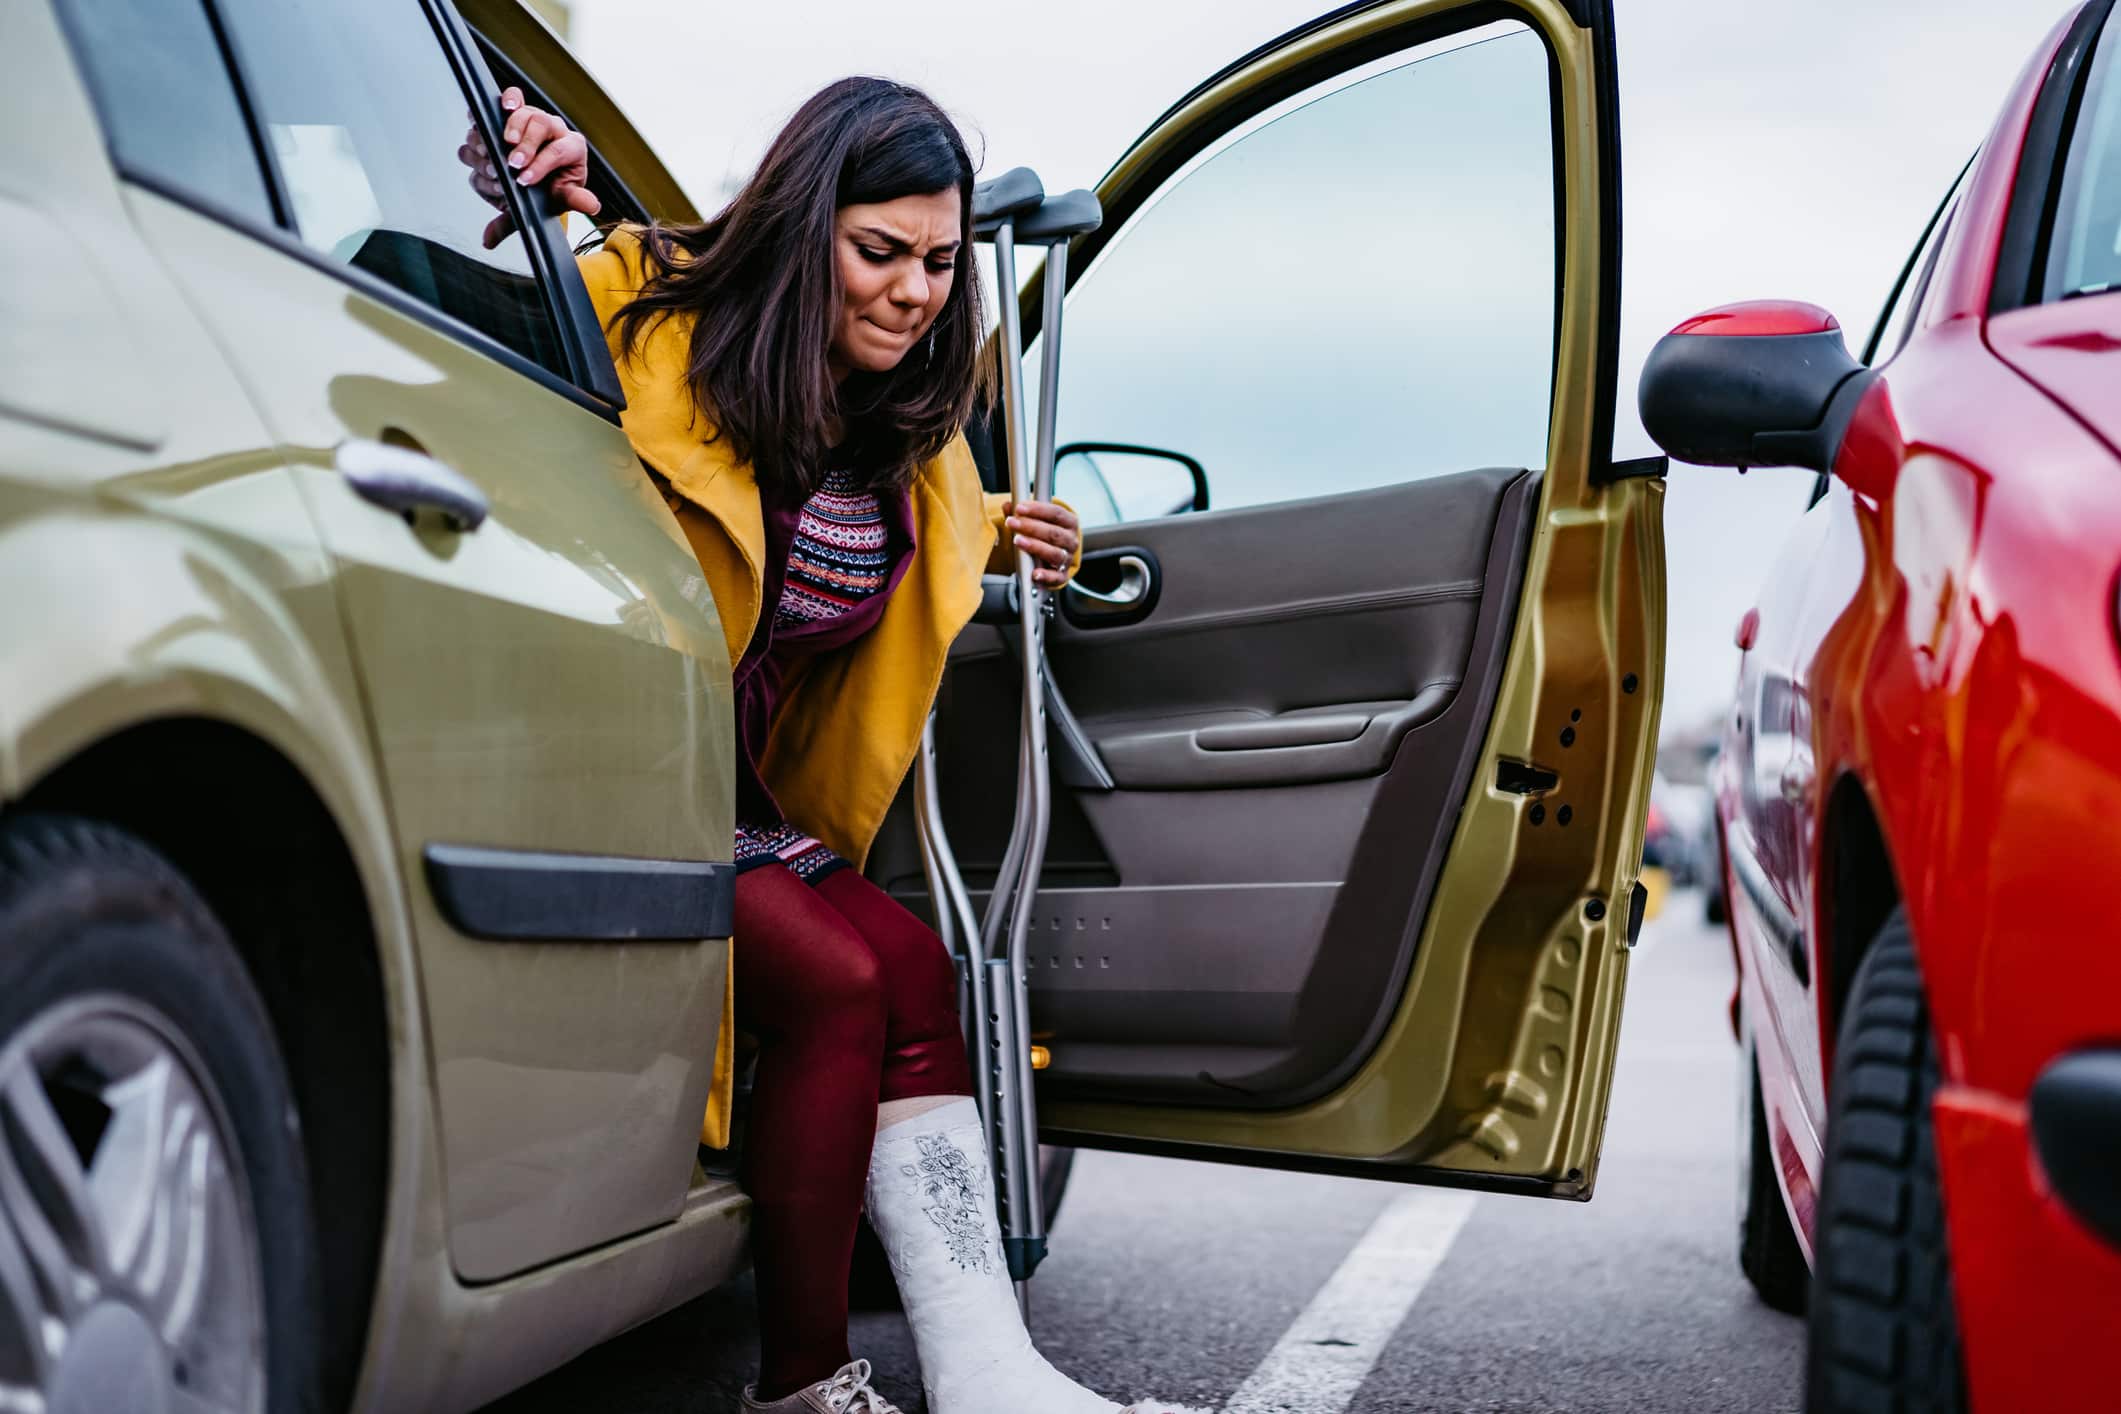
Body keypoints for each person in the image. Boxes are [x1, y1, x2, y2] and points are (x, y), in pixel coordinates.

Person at [469, 78, 1197, 1414]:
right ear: (804, 226)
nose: (915, 291)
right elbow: (475, 323)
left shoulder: (908, 437)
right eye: (877, 253)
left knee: (916, 969)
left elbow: (923, 557)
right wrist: (516, 192)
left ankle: (990, 1374)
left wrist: (1034, 546)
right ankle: (805, 1386)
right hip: (608, 768)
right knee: (839, 983)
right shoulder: (643, 305)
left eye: (934, 260)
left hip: (734, 792)